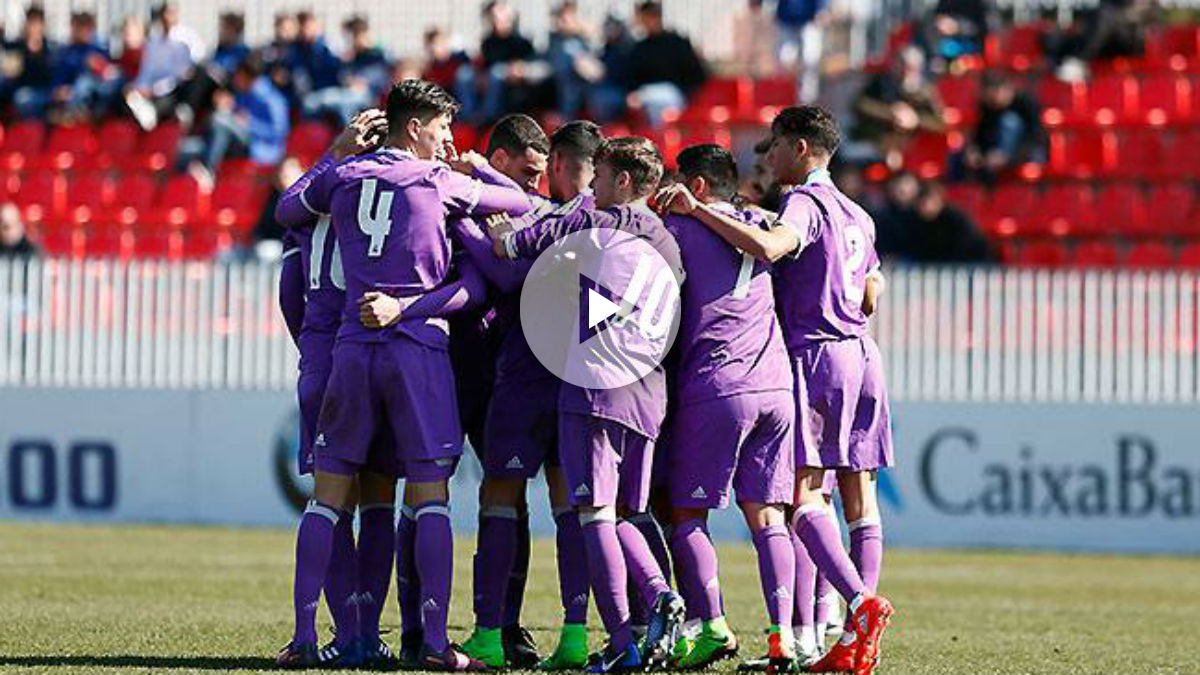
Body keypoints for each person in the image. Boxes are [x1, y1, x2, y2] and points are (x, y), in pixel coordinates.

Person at [273, 79, 533, 671]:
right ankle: (438, 644)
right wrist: (476, 173)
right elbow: (520, 206)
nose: (447, 141)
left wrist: (336, 151)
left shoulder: (344, 177)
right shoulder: (436, 181)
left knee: (328, 499)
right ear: (414, 128)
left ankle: (305, 636)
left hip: (351, 346)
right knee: (429, 496)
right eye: (441, 130)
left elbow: (289, 208)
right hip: (416, 349)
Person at [667, 106, 895, 674]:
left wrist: (698, 209)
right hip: (863, 353)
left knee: (803, 496)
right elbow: (871, 291)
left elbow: (771, 248)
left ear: (798, 148)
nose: (766, 158)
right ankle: (841, 632)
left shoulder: (804, 203)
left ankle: (850, 615)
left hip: (814, 352)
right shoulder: (858, 215)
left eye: (772, 147)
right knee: (859, 499)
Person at [492, 136, 686, 673]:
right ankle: (659, 598)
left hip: (596, 386)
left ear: (622, 182)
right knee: (628, 513)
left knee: (594, 514)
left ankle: (624, 639)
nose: (591, 189)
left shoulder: (598, 224)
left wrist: (504, 239)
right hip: (649, 395)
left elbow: (536, 236)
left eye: (599, 178)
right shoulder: (668, 242)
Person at [651, 145, 798, 669]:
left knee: (687, 514)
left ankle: (712, 623)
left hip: (718, 384)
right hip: (777, 387)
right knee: (768, 516)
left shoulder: (682, 230)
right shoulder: (762, 220)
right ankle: (785, 636)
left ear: (698, 187)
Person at [183, 56, 289, 176]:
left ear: (247, 76)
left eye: (238, 75)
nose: (235, 79)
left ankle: (208, 171)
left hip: (259, 148)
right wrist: (229, 106)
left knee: (219, 119)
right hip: (232, 142)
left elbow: (279, 133)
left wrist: (250, 123)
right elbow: (236, 118)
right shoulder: (243, 93)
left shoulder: (272, 99)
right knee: (186, 149)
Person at [455, 1, 548, 125]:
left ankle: (488, 116)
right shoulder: (489, 41)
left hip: (515, 79)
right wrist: (480, 75)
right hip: (491, 78)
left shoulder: (522, 40)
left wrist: (519, 69)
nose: (498, 21)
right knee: (464, 73)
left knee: (496, 72)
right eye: (494, 18)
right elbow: (485, 63)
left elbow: (531, 64)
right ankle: (468, 117)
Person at [851, 46, 945, 169]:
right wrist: (890, 113)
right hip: (877, 141)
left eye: (911, 68)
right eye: (902, 65)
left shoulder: (925, 91)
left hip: (911, 148)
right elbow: (860, 105)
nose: (905, 71)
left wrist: (915, 119)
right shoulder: (881, 82)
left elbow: (939, 124)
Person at [950, 70, 1046, 184]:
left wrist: (1006, 156)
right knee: (957, 157)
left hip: (1026, 153)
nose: (992, 101)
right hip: (993, 156)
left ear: (1006, 89)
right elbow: (981, 133)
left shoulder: (1026, 103)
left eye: (994, 95)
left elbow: (1035, 137)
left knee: (1010, 121)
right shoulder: (988, 107)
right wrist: (975, 150)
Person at [124, 2, 205, 130]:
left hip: (178, 88)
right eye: (165, 13)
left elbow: (195, 64)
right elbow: (148, 67)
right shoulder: (154, 40)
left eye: (171, 13)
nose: (168, 17)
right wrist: (142, 86)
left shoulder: (188, 37)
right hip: (157, 87)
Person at [627, 2, 707, 128]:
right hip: (646, 95)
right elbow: (633, 78)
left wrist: (686, 93)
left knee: (654, 99)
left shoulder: (677, 43)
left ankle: (660, 140)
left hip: (674, 94)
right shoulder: (640, 48)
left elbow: (696, 74)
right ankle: (659, 140)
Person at [303, 15, 390, 125]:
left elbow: (372, 82)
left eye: (350, 36)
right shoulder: (351, 56)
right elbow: (343, 77)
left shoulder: (377, 55)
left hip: (368, 96)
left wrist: (357, 81)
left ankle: (350, 138)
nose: (348, 41)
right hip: (347, 93)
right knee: (312, 102)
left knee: (338, 105)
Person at [46, 11, 119, 122]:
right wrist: (58, 90)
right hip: (71, 97)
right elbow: (58, 78)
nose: (83, 32)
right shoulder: (66, 53)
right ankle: (71, 113)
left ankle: (76, 113)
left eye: (86, 28)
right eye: (79, 27)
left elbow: (108, 76)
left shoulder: (100, 50)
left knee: (85, 82)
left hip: (95, 97)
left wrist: (97, 67)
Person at [905, 182, 992, 264]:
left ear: (940, 202)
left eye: (929, 202)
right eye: (921, 204)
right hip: (932, 265)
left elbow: (968, 246)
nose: (926, 207)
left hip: (966, 263)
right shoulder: (914, 220)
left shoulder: (955, 219)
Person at [548, 1, 603, 121]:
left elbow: (598, 68)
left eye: (566, 19)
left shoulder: (587, 38)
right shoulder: (555, 40)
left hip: (591, 84)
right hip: (563, 85)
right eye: (560, 18)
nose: (561, 23)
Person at [6, 6, 54, 118]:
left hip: (42, 93)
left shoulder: (50, 49)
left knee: (23, 98)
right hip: (18, 89)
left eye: (37, 22)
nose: (33, 27)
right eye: (31, 22)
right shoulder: (18, 46)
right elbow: (11, 73)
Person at [775, 0, 828, 102]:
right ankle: (784, 96)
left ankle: (807, 100)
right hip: (786, 18)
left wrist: (821, 8)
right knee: (784, 60)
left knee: (809, 60)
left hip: (810, 19)